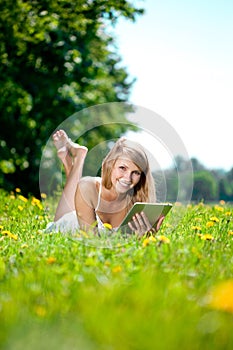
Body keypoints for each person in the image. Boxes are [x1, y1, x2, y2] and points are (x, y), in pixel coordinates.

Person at [46, 129, 165, 236]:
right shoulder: (88, 186)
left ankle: (69, 162)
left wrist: (145, 238)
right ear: (110, 165)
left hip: (86, 203)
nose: (128, 178)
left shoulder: (138, 204)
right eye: (122, 168)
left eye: (136, 172)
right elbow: (92, 241)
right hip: (69, 223)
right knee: (78, 193)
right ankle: (78, 158)